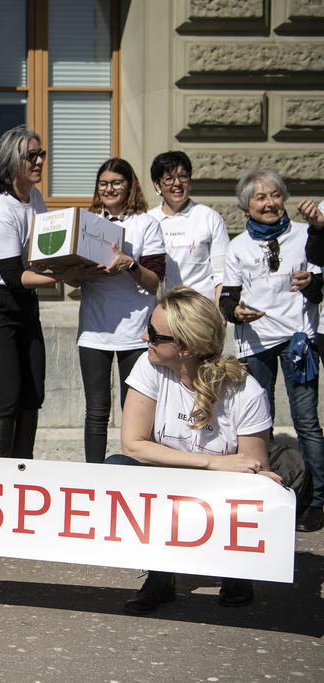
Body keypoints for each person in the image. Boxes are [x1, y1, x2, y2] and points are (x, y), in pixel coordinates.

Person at [108, 286, 280, 614]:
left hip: (219, 498)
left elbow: (254, 472)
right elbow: (133, 445)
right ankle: (160, 573)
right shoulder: (150, 366)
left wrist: (220, 472)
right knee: (117, 465)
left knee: (255, 487)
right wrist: (211, 464)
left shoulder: (247, 393)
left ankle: (237, 567)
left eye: (156, 335)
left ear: (185, 347)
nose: (145, 336)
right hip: (168, 486)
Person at [219, 169, 324, 533]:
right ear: (246, 206)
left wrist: (312, 283)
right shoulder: (237, 247)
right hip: (256, 344)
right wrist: (236, 312)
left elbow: (317, 287)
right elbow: (228, 298)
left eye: (275, 195)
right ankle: (266, 492)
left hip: (298, 341)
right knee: (257, 424)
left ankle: (316, 500)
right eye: (260, 197)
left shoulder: (305, 234)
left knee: (306, 422)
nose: (270, 203)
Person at [0, 126, 61, 458]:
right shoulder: (1, 210)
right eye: (32, 156)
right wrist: (64, 277)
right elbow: (13, 276)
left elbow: (46, 251)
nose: (39, 161)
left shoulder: (35, 198)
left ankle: (23, 468)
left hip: (26, 304)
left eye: (42, 154)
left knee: (33, 393)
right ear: (12, 162)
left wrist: (79, 262)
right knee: (7, 396)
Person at [71, 158, 165, 464]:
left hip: (135, 331)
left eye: (116, 183)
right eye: (104, 183)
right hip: (94, 330)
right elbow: (71, 279)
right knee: (96, 411)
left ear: (130, 186)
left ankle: (134, 472)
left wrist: (130, 264)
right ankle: (93, 476)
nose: (109, 189)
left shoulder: (146, 224)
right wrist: (81, 270)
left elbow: (154, 282)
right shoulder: (86, 221)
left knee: (134, 409)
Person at [147, 151, 230, 302]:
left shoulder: (209, 217)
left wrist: (219, 312)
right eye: (169, 178)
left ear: (190, 181)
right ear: (157, 184)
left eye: (183, 176)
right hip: (161, 311)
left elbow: (222, 273)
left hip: (200, 312)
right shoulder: (148, 221)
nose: (177, 183)